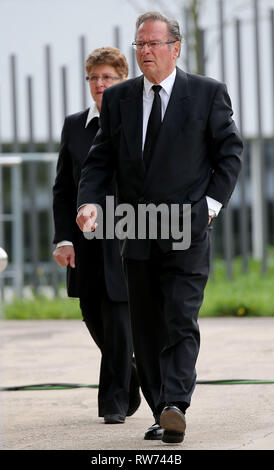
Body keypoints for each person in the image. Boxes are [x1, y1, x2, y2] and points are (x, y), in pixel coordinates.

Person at [76, 13, 243, 444]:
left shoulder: (206, 94)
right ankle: (160, 409)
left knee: (180, 318)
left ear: (175, 47)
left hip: (187, 227)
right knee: (147, 328)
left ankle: (175, 404)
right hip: (137, 229)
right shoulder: (119, 100)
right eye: (139, 45)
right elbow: (100, 161)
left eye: (153, 44)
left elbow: (229, 153)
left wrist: (208, 206)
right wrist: (90, 203)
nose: (145, 51)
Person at [52, 47, 140, 424]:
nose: (100, 84)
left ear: (123, 80)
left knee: (119, 319)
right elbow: (62, 189)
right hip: (85, 239)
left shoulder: (136, 120)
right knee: (92, 313)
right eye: (94, 78)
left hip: (126, 235)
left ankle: (114, 405)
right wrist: (64, 238)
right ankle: (135, 377)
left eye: (108, 77)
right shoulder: (75, 125)